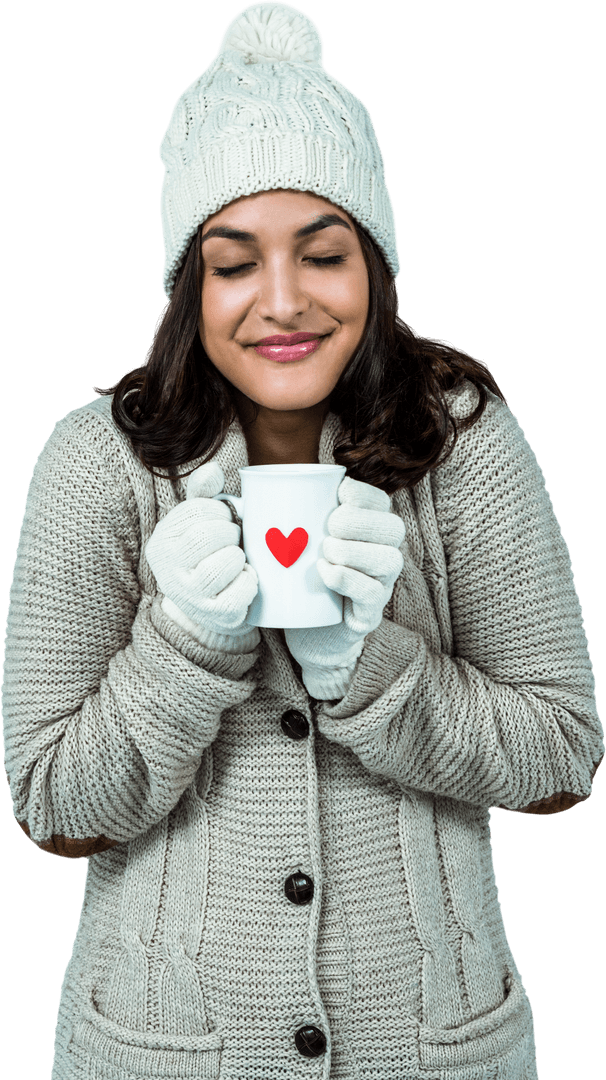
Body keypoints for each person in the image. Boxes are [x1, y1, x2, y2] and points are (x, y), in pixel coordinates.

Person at [2, 2, 603, 1078]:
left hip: (435, 1056)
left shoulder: (466, 443)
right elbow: (51, 807)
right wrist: (183, 645)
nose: (282, 302)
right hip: (159, 1055)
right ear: (189, 288)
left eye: (322, 254)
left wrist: (375, 670)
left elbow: (562, 759)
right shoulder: (95, 465)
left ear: (374, 264)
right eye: (234, 264)